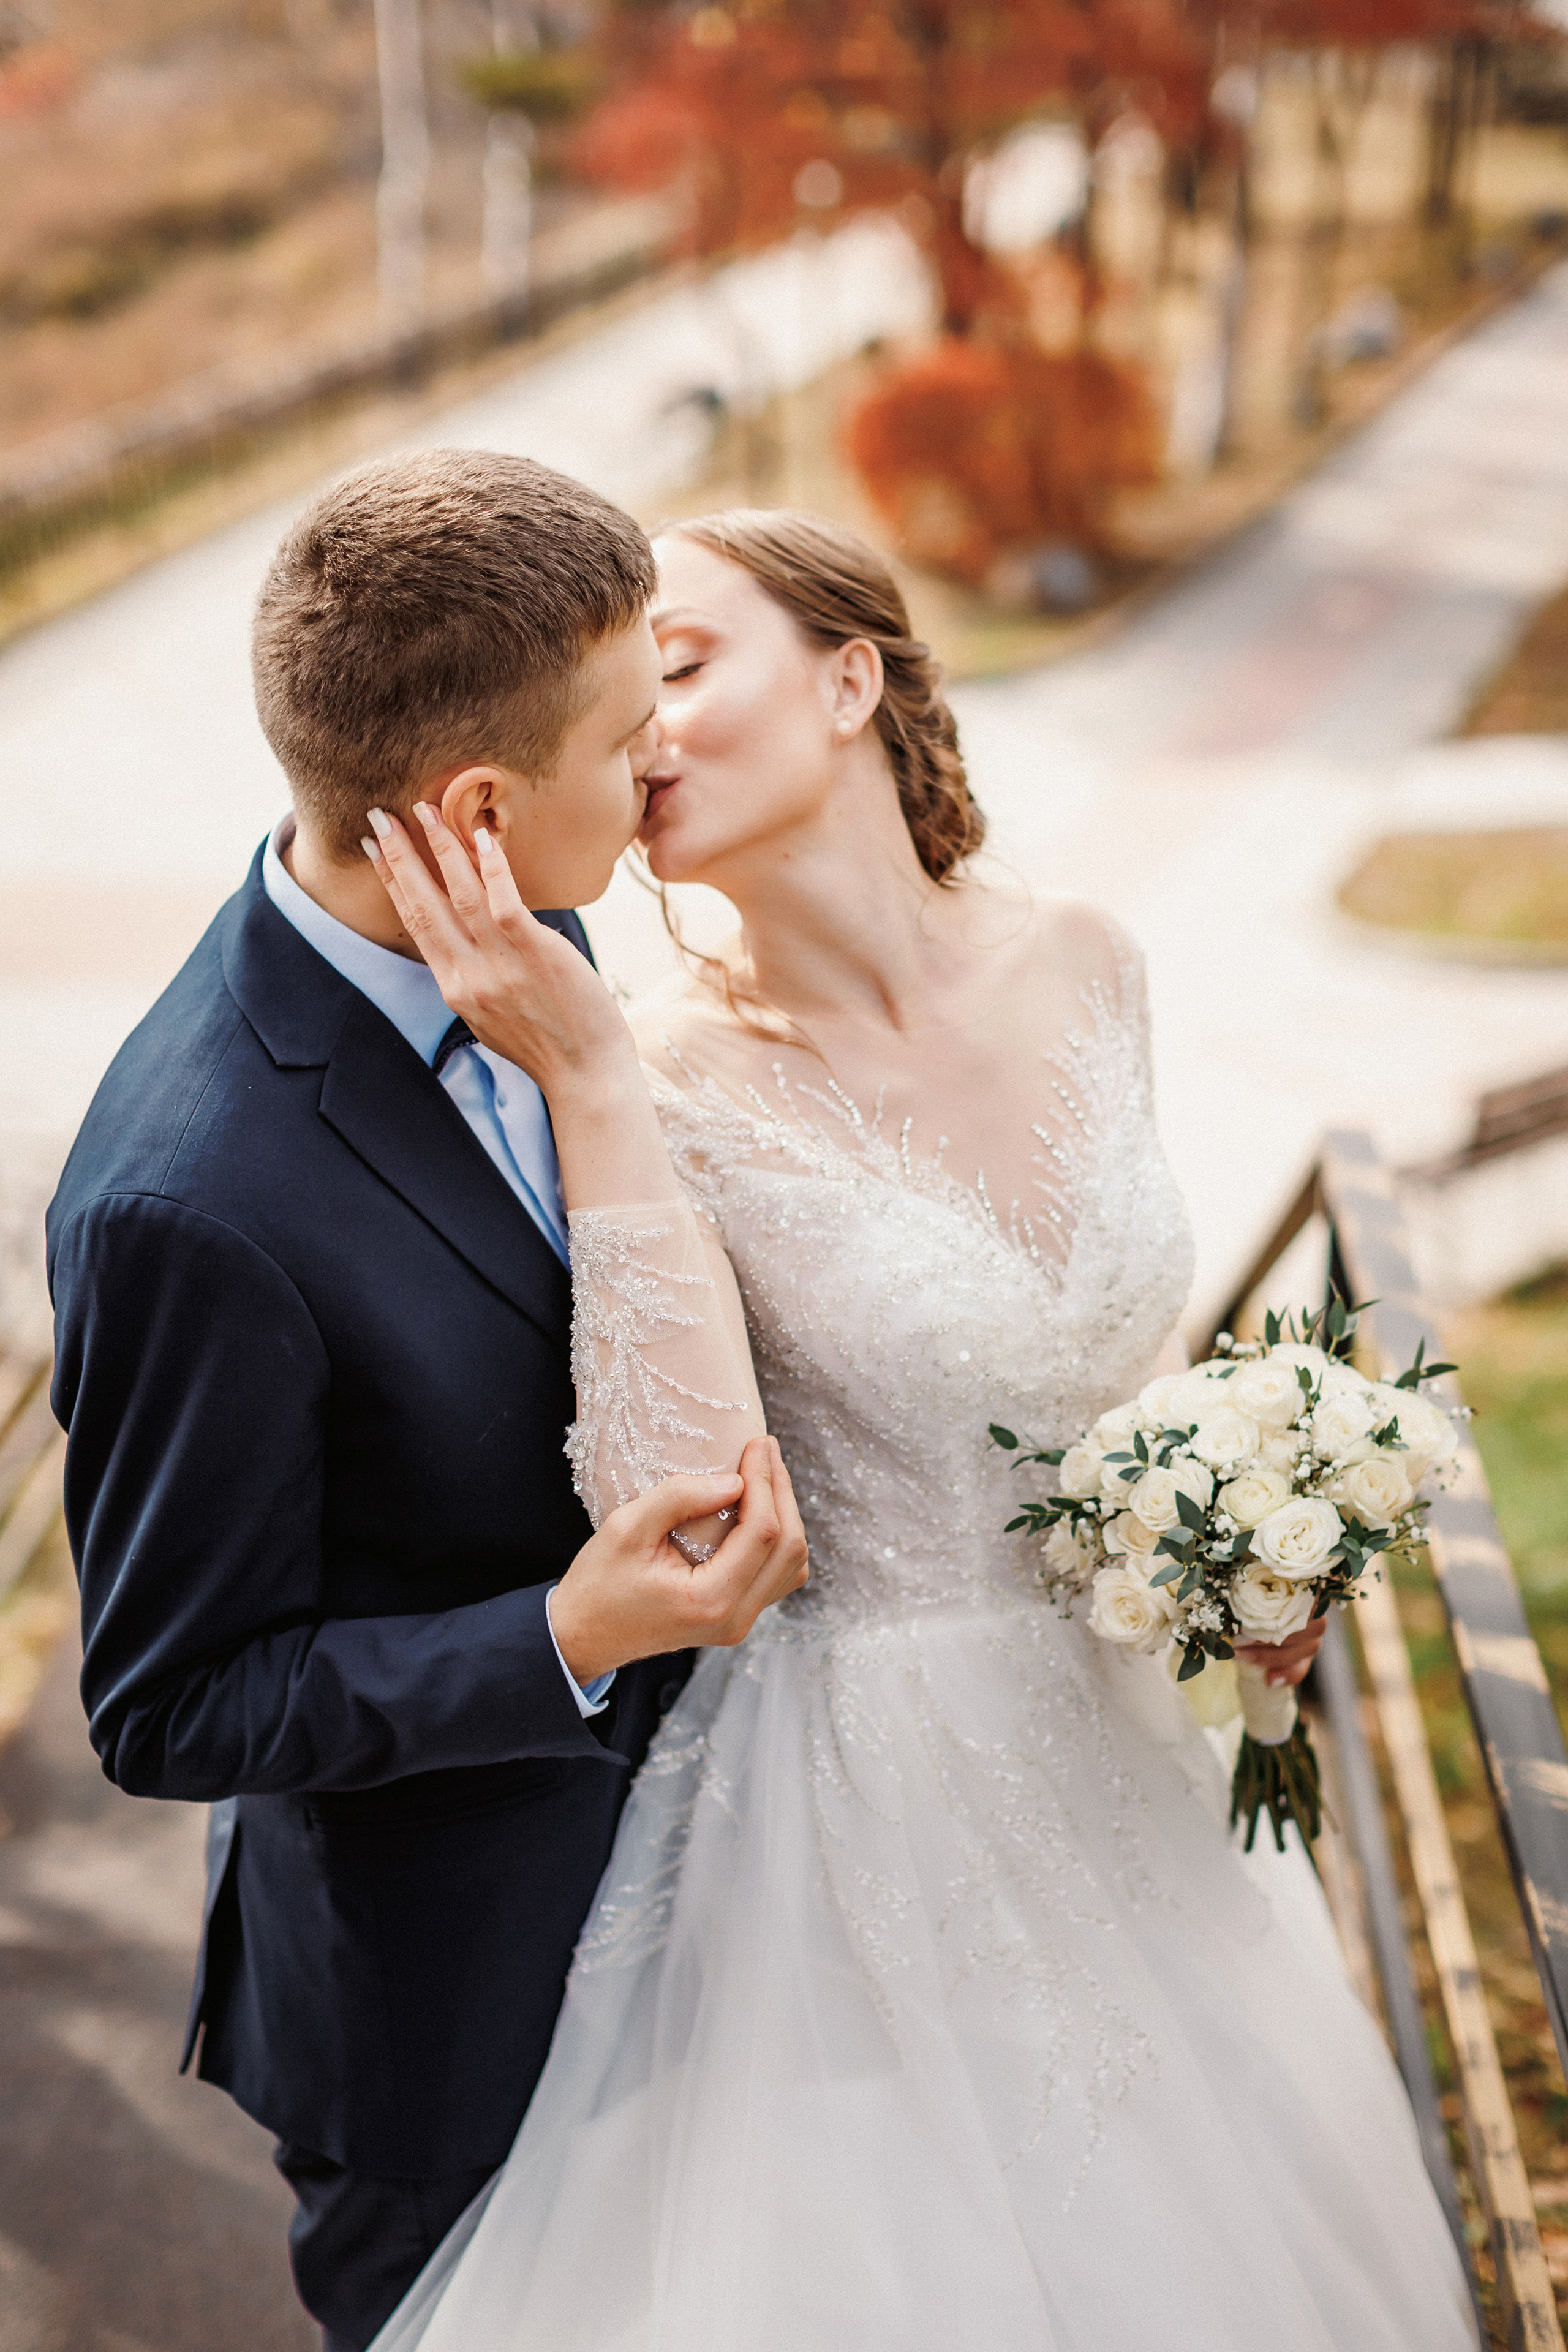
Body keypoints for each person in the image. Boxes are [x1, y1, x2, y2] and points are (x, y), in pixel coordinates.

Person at [359, 507, 1478, 2351]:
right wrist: (595, 1090)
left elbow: (1129, 1368)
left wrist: (1239, 1541)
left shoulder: (1095, 959)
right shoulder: (658, 1075)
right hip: (856, 1826)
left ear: (852, 673)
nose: (639, 725)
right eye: (623, 690)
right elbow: (684, 1527)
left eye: (686, 664)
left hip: (1132, 1773)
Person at [44, 453, 807, 2352]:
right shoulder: (188, 1205)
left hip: (707, 1908)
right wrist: (566, 1633)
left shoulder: (517, 929)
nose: (662, 773)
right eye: (633, 737)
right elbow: (167, 1706)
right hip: (453, 2033)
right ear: (473, 809)